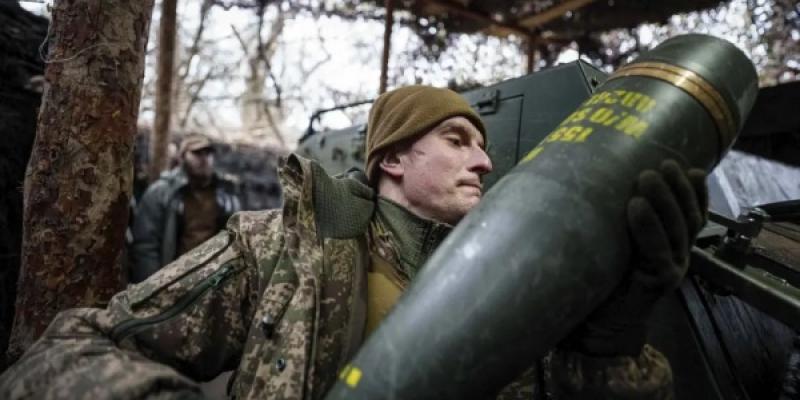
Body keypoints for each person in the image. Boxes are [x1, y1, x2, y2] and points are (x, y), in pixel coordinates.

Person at [0, 85, 707, 399]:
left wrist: (610, 345)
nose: (486, 162)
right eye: (458, 139)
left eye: (484, 146)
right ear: (391, 160)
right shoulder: (283, 251)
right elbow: (70, 352)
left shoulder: (523, 276)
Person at [129, 134, 241, 283]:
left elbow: (236, 241)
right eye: (197, 153)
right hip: (173, 277)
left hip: (212, 279)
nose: (204, 158)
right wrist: (153, 285)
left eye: (208, 153)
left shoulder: (227, 194)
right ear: (182, 157)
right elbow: (146, 245)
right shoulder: (161, 192)